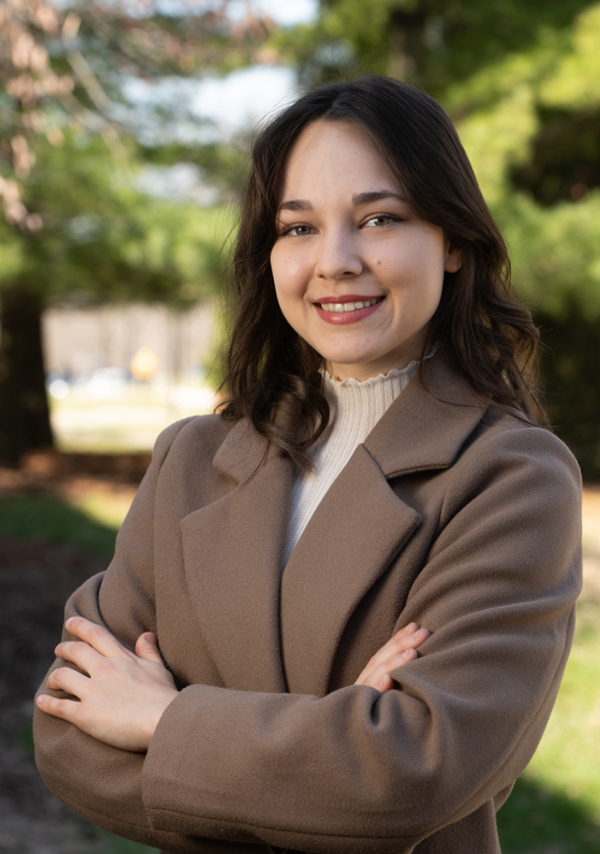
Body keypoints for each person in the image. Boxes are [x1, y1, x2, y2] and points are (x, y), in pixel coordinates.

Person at [34, 75, 582, 854]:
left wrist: (164, 720)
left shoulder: (512, 477)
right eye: (298, 228)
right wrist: (332, 752)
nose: (336, 261)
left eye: (380, 218)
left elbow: (417, 770)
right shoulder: (189, 458)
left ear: (453, 240)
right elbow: (68, 735)